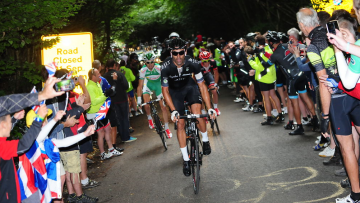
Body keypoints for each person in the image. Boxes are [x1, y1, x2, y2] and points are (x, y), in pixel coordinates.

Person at [0, 77, 63, 203]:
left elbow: (3, 128)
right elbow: (23, 145)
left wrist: (14, 119)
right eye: (9, 120)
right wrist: (38, 119)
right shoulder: (2, 147)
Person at [161, 38, 216, 176]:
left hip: (189, 87)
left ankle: (205, 139)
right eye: (175, 53)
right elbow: (165, 91)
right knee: (180, 124)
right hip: (175, 92)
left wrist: (209, 108)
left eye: (181, 53)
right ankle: (186, 159)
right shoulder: (165, 67)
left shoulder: (193, 63)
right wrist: (173, 111)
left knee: (197, 113)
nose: (178, 57)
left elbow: (202, 86)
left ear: (185, 51)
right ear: (171, 53)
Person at [260, 31, 319, 135]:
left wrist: (260, 56)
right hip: (301, 73)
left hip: (292, 78)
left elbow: (266, 64)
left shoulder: (274, 55)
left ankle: (299, 127)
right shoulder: (286, 45)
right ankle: (315, 120)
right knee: (305, 97)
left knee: (294, 102)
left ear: (271, 42)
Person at [87, 68, 123, 160]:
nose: (100, 74)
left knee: (108, 129)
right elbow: (94, 101)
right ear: (93, 76)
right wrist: (105, 94)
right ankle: (103, 153)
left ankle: (111, 149)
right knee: (101, 133)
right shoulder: (90, 87)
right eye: (98, 73)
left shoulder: (96, 83)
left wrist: (105, 95)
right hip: (95, 113)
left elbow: (101, 97)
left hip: (102, 111)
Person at [137, 52, 173, 138]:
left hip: (158, 85)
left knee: (163, 107)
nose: (150, 64)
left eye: (151, 62)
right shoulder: (143, 70)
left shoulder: (159, 68)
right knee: (146, 103)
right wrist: (138, 101)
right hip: (148, 85)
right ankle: (150, 118)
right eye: (148, 62)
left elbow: (165, 81)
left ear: (154, 61)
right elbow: (140, 86)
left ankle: (167, 128)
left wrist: (166, 93)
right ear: (145, 63)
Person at [103, 59, 137, 143]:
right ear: (114, 65)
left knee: (116, 119)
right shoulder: (119, 74)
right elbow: (126, 86)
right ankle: (125, 137)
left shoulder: (104, 77)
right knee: (124, 118)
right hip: (122, 99)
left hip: (111, 101)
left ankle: (116, 137)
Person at [198, 51, 221, 116]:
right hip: (200, 77)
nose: (206, 62)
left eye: (208, 60)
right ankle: (202, 111)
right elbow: (194, 76)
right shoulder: (198, 64)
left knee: (214, 90)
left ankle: (216, 108)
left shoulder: (213, 62)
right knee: (200, 93)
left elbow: (216, 73)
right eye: (204, 61)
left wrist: (215, 84)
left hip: (208, 75)